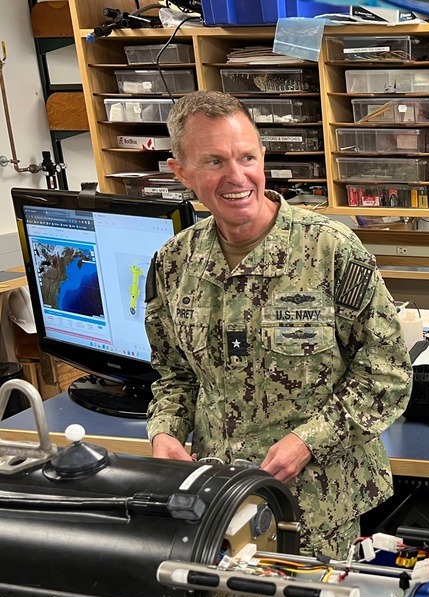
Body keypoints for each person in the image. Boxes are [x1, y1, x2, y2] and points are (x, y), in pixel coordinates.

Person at [145, 90, 413, 557]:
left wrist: (308, 441)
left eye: (246, 156)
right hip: (218, 500)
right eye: (213, 162)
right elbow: (175, 375)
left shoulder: (331, 250)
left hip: (316, 507)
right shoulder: (173, 264)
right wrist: (165, 431)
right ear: (181, 173)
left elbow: (385, 376)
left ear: (262, 156)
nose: (237, 176)